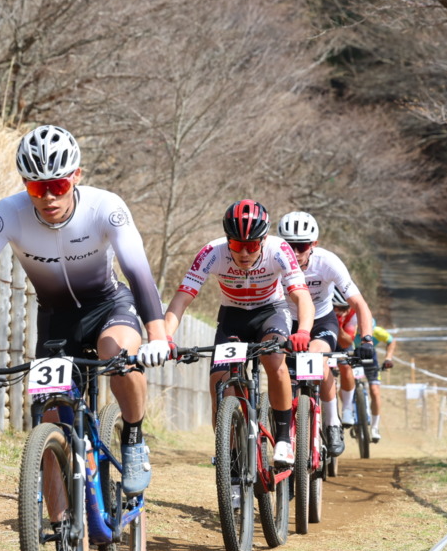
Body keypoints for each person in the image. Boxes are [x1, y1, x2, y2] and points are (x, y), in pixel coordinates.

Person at [0, 125, 169, 551]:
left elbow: (138, 271)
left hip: (109, 306)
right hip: (57, 320)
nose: (47, 197)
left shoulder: (106, 207)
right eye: (36, 187)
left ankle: (133, 438)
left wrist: (158, 335)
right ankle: (64, 540)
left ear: (76, 177)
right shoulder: (7, 215)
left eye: (58, 185)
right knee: (49, 420)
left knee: (118, 353)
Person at [163, 199, 314, 466]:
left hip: (270, 313)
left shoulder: (279, 249)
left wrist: (302, 331)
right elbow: (182, 299)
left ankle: (283, 439)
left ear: (263, 241)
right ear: (227, 240)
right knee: (219, 381)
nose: (244, 253)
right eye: (236, 245)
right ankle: (230, 457)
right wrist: (164, 337)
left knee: (275, 361)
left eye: (252, 246)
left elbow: (302, 297)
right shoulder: (211, 252)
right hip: (232, 317)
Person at [275, 211, 377, 457]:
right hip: (286, 320)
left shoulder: (328, 262)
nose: (295, 252)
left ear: (313, 245)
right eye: (289, 246)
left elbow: (359, 304)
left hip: (321, 320)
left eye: (302, 246)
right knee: (280, 371)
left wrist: (366, 340)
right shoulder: (273, 260)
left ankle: (332, 424)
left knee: (318, 361)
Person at [333, 286, 397, 442]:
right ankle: (350, 408)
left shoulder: (376, 331)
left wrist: (388, 358)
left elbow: (391, 341)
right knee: (346, 377)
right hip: (353, 355)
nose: (362, 332)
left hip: (369, 358)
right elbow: (345, 343)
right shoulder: (351, 326)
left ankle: (374, 427)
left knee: (375, 391)